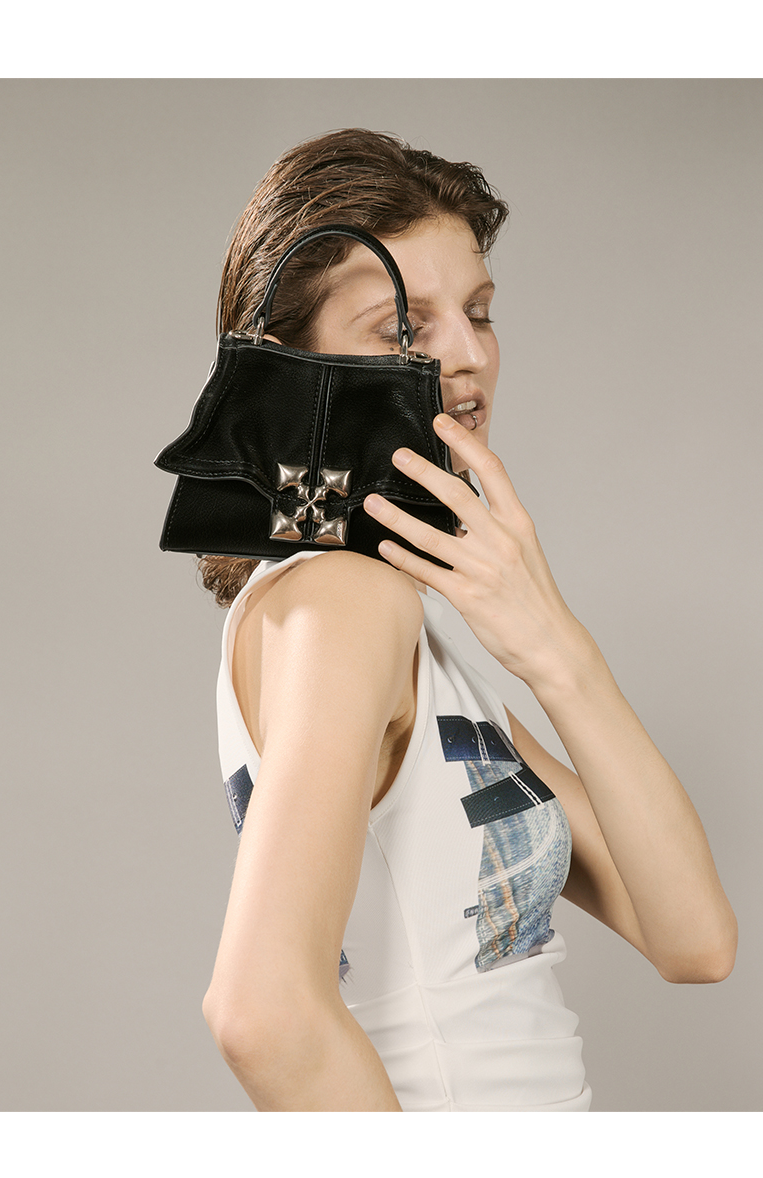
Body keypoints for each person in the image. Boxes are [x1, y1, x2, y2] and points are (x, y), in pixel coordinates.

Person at [199, 128, 737, 1112]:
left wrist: (554, 647)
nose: (467, 353)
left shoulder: (408, 622)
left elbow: (692, 939)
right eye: (404, 329)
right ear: (292, 373)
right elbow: (262, 1012)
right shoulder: (345, 599)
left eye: (479, 312)